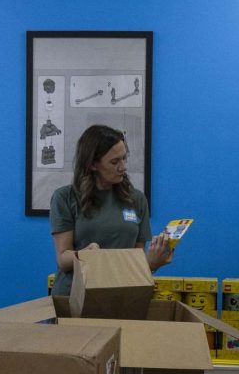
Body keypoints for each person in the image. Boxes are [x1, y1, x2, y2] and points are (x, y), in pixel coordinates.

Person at [49, 125, 173, 296]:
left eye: (124, 158)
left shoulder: (136, 199)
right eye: (115, 162)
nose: (123, 167)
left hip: (121, 296)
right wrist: (86, 255)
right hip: (74, 297)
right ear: (93, 164)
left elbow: (135, 262)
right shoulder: (64, 197)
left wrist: (152, 262)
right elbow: (63, 259)